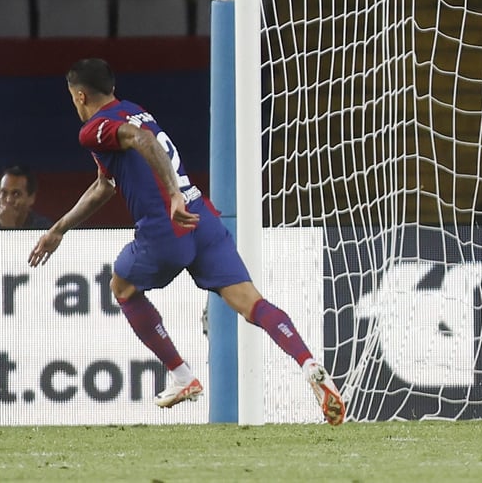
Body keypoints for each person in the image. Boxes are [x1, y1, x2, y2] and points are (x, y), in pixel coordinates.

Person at [27, 59, 345, 425]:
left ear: (80, 95)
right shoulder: (136, 111)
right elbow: (105, 185)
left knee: (122, 285)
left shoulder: (93, 129)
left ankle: (181, 374)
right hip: (203, 219)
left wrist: (173, 194)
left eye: (73, 98)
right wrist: (59, 228)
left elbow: (142, 142)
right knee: (251, 302)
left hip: (168, 225)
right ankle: (308, 364)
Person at [0, 165, 53, 229]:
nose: (9, 200)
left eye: (16, 194)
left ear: (31, 198)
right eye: (4, 193)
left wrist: (9, 227)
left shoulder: (44, 227)